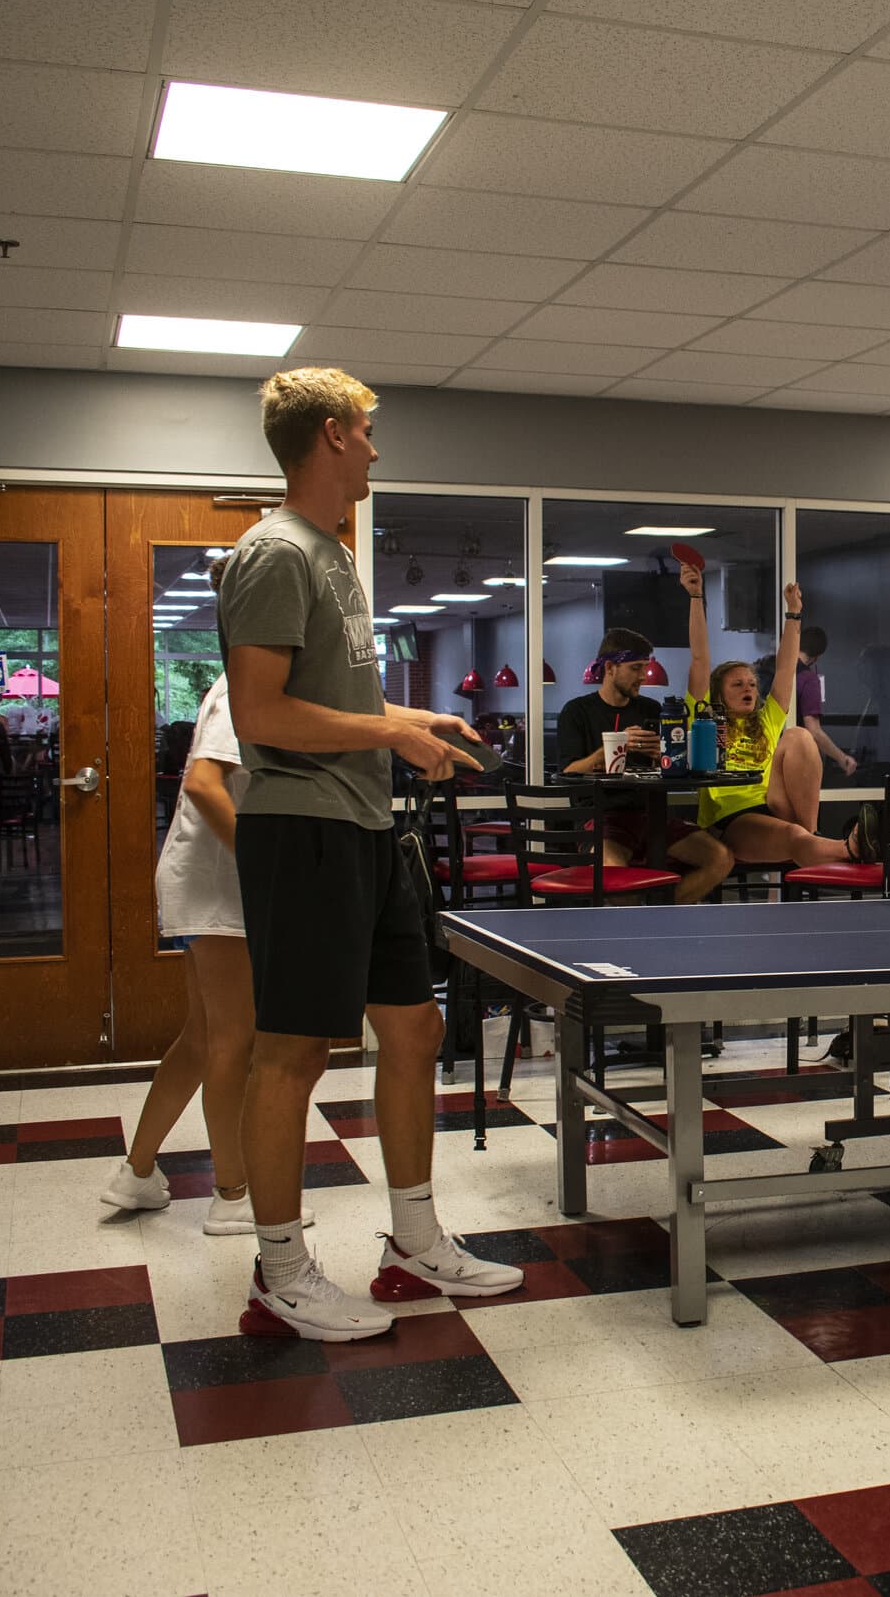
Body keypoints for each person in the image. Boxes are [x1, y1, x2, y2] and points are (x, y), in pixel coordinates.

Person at [220, 367, 522, 1342]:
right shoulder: (274, 553)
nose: (377, 448)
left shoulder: (334, 554)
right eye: (366, 430)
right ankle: (279, 1268)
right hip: (302, 826)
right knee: (296, 1050)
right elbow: (261, 713)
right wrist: (389, 737)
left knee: (415, 1032)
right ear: (332, 437)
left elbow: (332, 700)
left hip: (365, 826)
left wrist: (402, 717)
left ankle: (415, 1239)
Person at [97, 672, 290, 1234]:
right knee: (235, 1039)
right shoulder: (241, 690)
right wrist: (261, 867)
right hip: (221, 886)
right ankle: (233, 1195)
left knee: (202, 1038)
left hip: (211, 881)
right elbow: (207, 785)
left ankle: (136, 1173)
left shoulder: (256, 683)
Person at [681, 561, 877, 866]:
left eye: (751, 684)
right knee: (793, 838)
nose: (748, 688)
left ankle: (815, 834)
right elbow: (699, 658)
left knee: (798, 734)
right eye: (737, 684)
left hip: (775, 804)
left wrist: (794, 613)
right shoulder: (705, 718)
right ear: (718, 692)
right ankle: (848, 849)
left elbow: (787, 668)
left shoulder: (766, 720)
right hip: (732, 818)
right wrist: (696, 597)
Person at [555, 625, 734, 903]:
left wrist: (666, 757)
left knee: (720, 858)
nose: (643, 676)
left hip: (652, 816)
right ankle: (638, 923)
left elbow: (673, 765)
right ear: (610, 668)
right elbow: (568, 772)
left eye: (644, 667)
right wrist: (611, 749)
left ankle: (659, 914)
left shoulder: (651, 709)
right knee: (616, 882)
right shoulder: (576, 712)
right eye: (636, 668)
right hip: (603, 818)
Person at [792, 624, 858, 779]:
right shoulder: (808, 679)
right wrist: (842, 758)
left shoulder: (780, 671)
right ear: (817, 656)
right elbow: (814, 731)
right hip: (797, 758)